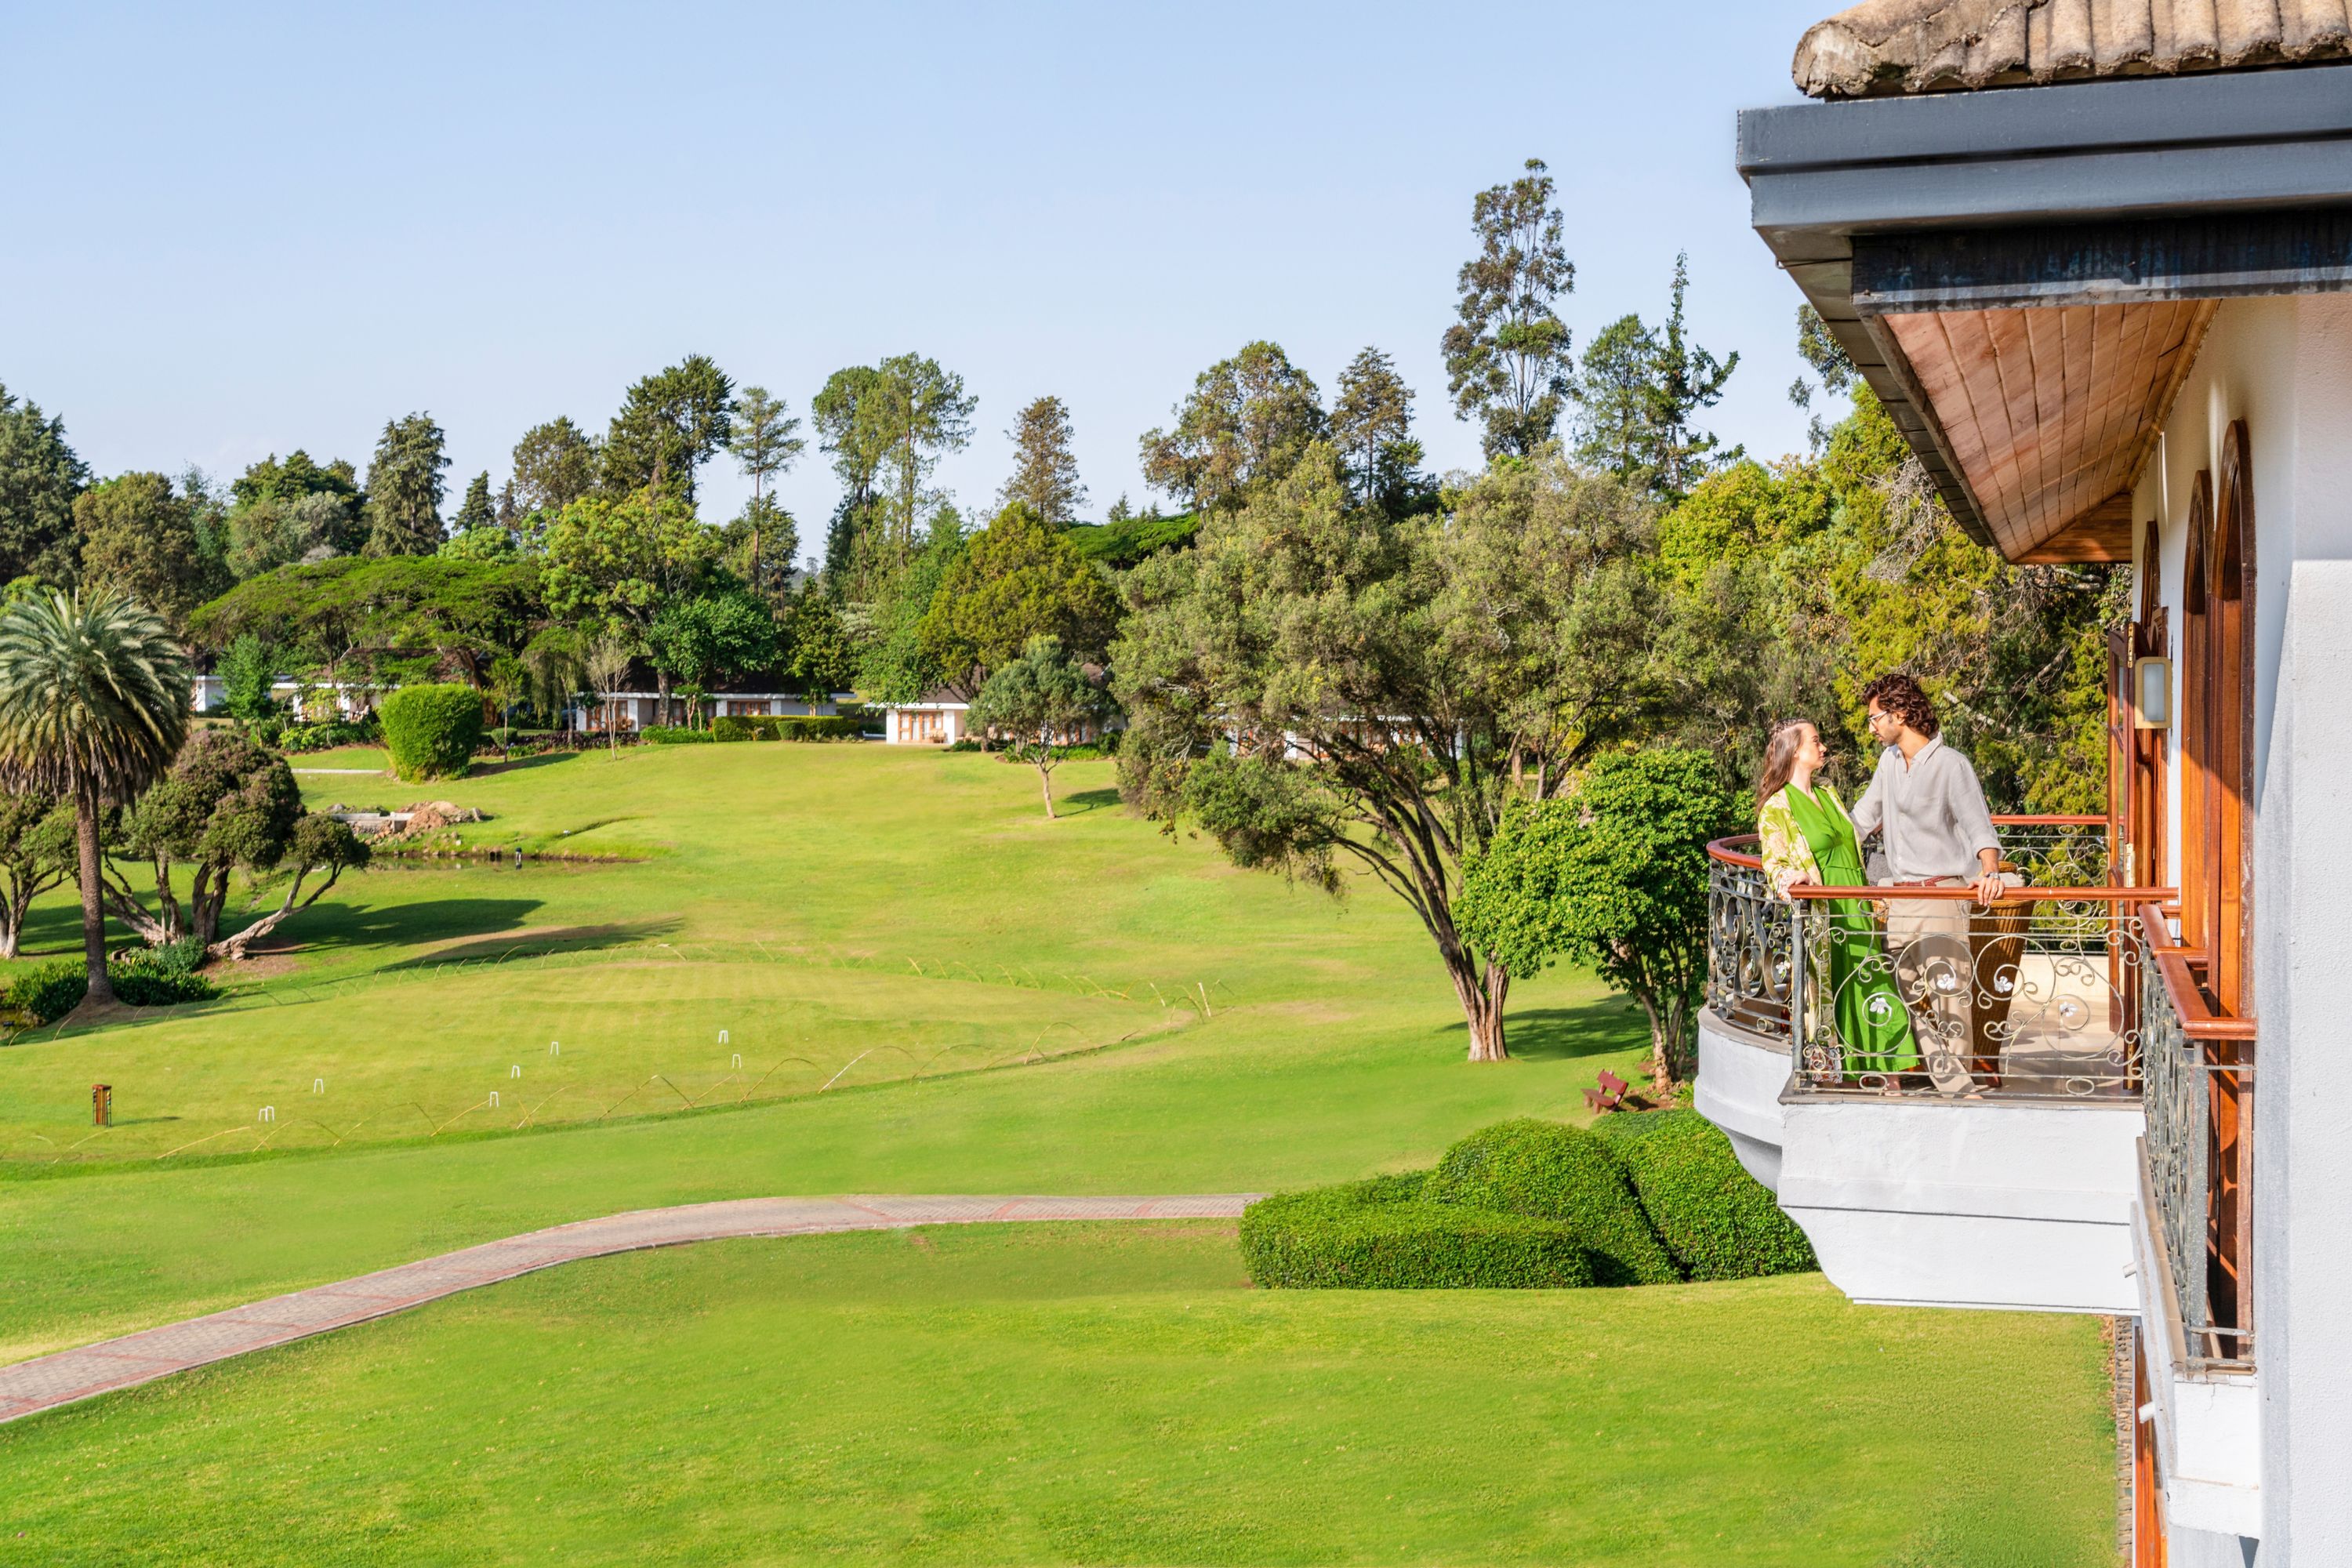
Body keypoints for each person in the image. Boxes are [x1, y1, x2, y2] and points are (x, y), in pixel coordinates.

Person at [1849, 673, 2003, 1096]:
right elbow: (1861, 819)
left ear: (1900, 714)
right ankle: (1955, 1086)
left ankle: (1957, 1093)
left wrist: (1990, 872)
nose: (1871, 727)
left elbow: (1980, 829)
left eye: (1875, 717)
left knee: (1949, 998)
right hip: (1899, 900)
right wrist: (1810, 849)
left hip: (1942, 898)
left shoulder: (1952, 764)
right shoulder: (1888, 763)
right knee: (1905, 996)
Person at [1755, 718, 1918, 1080]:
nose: (1823, 747)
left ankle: (1890, 1076)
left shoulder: (1828, 792)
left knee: (1874, 985)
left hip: (1856, 904)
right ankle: (1848, 1075)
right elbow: (1774, 863)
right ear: (1795, 751)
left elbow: (1851, 837)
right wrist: (1790, 878)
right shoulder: (1777, 808)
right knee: (1836, 992)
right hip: (1826, 913)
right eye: (1816, 741)